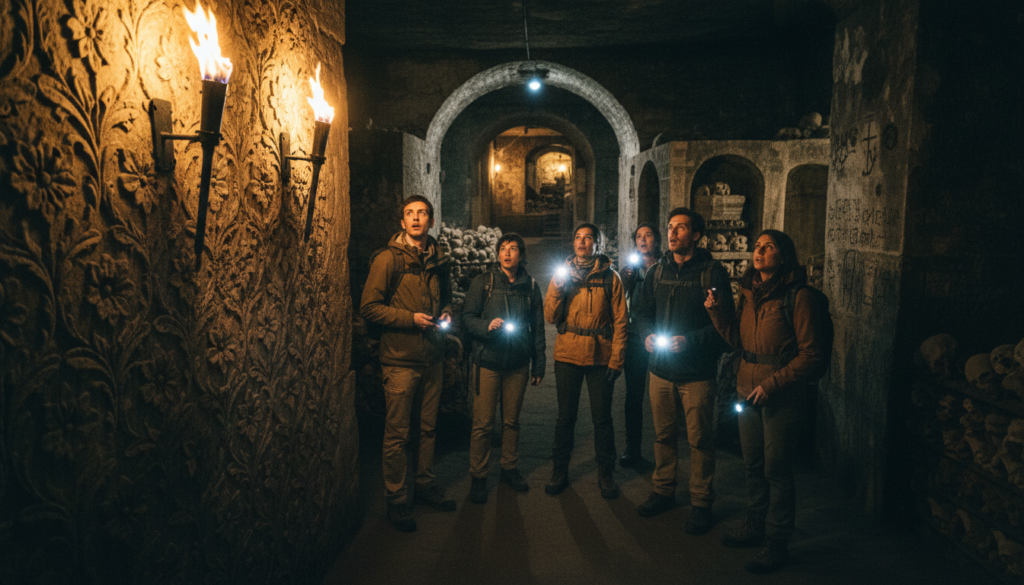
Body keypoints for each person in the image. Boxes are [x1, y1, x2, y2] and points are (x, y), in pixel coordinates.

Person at [705, 229, 827, 573]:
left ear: (783, 256)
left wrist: (772, 385)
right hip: (747, 391)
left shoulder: (798, 297)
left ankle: (777, 539)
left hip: (781, 396)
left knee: (777, 468)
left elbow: (812, 354)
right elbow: (739, 341)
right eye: (757, 246)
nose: (758, 252)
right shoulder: (749, 294)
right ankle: (755, 523)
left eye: (768, 247)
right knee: (753, 464)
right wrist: (717, 313)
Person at [633, 207, 733, 534]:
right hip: (660, 371)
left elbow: (724, 326)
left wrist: (689, 342)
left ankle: (701, 502)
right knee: (663, 435)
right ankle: (663, 490)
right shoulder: (657, 272)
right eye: (670, 227)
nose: (673, 233)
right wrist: (647, 335)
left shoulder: (712, 274)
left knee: (700, 439)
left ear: (697, 235)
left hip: (697, 374)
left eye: (681, 228)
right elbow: (643, 312)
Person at [360, 195, 456, 532]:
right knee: (397, 434)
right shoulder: (387, 260)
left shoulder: (439, 258)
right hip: (400, 360)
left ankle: (425, 484)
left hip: (432, 357)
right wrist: (410, 319)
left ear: (431, 221)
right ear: (402, 222)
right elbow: (369, 307)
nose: (416, 218)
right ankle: (397, 499)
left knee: (428, 428)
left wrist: (446, 313)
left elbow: (446, 299)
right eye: (409, 214)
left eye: (422, 213)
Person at [543, 223, 628, 498]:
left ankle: (606, 473)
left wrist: (617, 359)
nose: (581, 242)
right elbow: (550, 317)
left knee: (602, 418)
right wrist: (558, 287)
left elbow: (621, 322)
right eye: (578, 237)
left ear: (597, 245)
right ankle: (559, 470)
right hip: (567, 354)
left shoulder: (611, 278)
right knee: (565, 418)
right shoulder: (561, 275)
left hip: (600, 356)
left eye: (588, 237)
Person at [461, 233, 546, 504]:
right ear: (498, 254)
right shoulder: (484, 282)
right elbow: (467, 318)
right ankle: (479, 475)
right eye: (503, 248)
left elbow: (538, 328)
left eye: (513, 249)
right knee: (483, 424)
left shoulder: (530, 286)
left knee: (511, 422)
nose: (507, 253)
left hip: (517, 364)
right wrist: (486, 326)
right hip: (488, 362)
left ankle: (509, 467)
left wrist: (539, 364)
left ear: (521, 254)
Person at [618, 223, 662, 469]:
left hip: (660, 337)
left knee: (662, 395)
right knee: (634, 396)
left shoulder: (665, 268)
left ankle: (665, 447)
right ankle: (632, 448)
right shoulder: (630, 270)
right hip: (635, 338)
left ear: (657, 240)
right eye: (638, 237)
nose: (643, 240)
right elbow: (618, 299)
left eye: (648, 235)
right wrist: (625, 280)